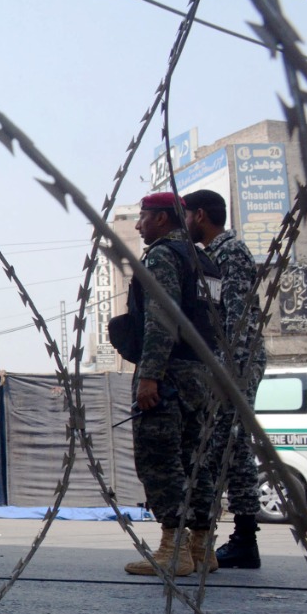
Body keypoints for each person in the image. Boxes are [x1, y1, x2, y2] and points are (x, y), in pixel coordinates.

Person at [123, 191, 219, 576]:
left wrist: (150, 375)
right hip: (201, 374)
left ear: (161, 219)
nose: (138, 225)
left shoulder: (163, 255)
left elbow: (161, 318)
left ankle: (173, 550)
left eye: (143, 216)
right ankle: (202, 547)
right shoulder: (205, 260)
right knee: (195, 459)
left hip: (169, 372)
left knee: (160, 459)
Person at [184, 188, 266, 569]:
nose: (185, 222)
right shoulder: (212, 256)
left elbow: (238, 318)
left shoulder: (230, 253)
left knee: (229, 444)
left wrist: (228, 372)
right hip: (226, 365)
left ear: (200, 215)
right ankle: (235, 538)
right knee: (228, 446)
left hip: (236, 366)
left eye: (187, 215)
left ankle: (241, 539)